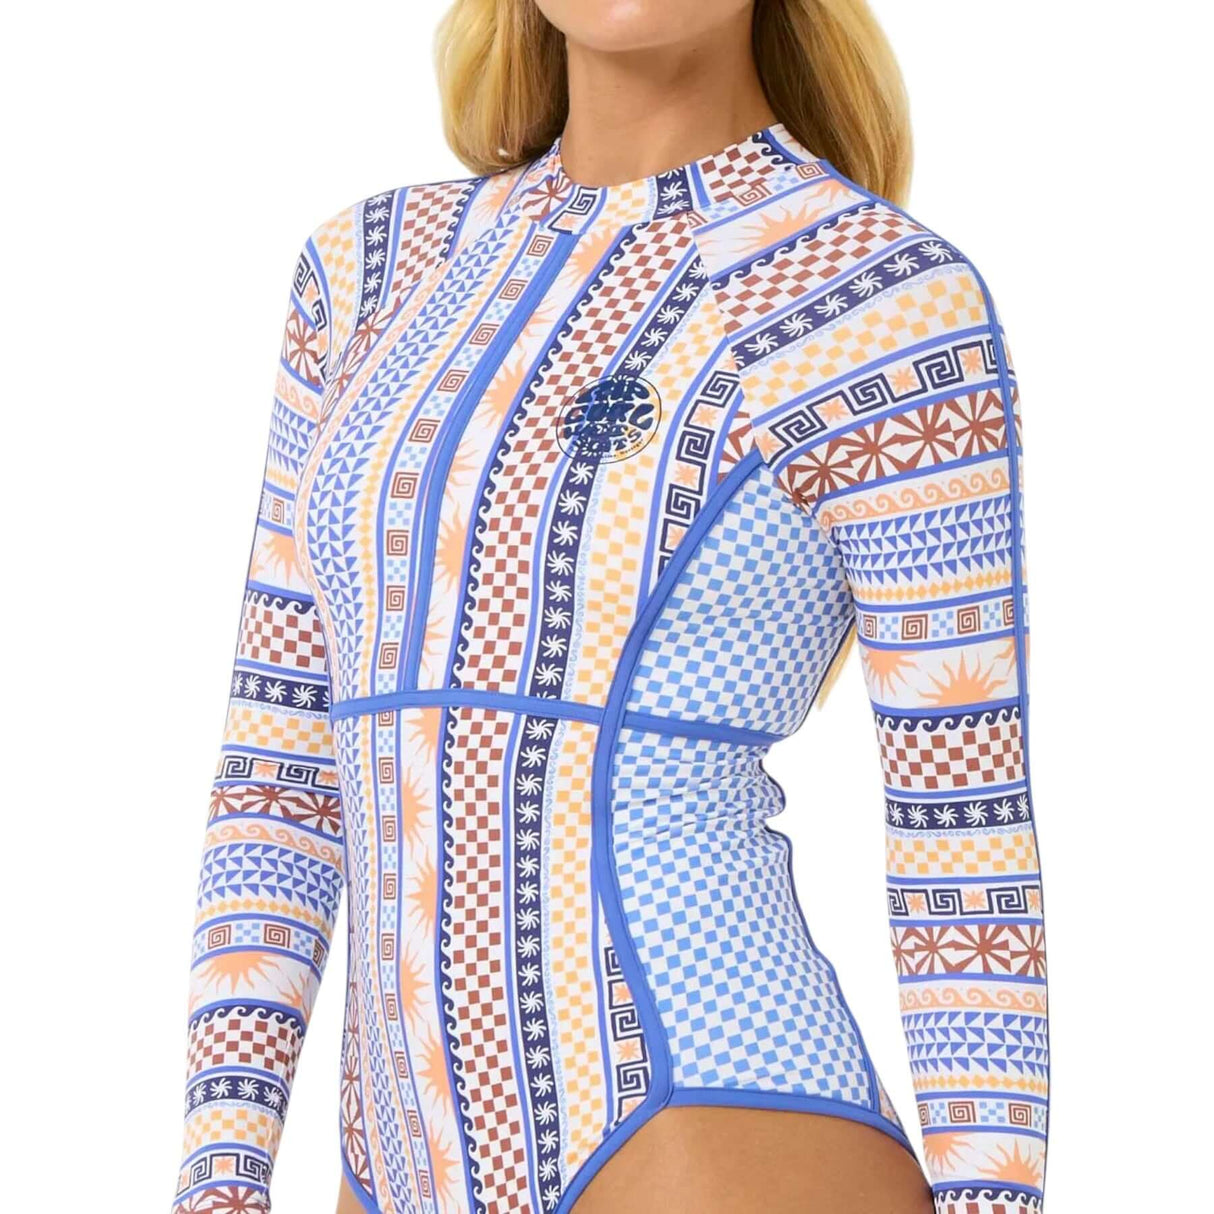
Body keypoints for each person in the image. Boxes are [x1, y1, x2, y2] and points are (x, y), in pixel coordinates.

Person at [172, 2, 1049, 1211]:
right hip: (390, 1159)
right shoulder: (369, 269)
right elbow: (281, 763)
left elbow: (959, 827)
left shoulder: (876, 296)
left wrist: (995, 1198)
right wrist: (218, 1171)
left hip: (711, 1119)